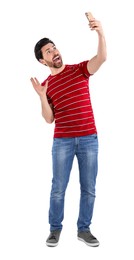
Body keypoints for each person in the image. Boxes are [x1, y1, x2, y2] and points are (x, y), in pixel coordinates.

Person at [30, 13, 107, 247]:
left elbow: (102, 58)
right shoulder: (46, 85)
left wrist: (101, 32)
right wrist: (42, 97)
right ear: (43, 61)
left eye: (54, 48)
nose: (54, 52)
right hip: (62, 141)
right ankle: (55, 229)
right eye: (48, 51)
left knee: (89, 188)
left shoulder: (79, 70)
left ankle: (84, 229)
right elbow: (48, 119)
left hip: (89, 140)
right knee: (58, 189)